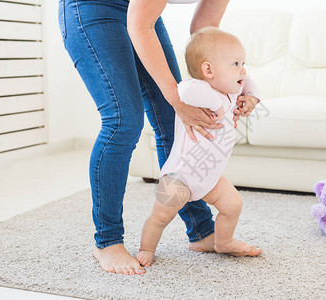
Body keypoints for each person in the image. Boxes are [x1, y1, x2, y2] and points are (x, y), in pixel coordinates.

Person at [58, 0, 259, 276]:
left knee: (174, 121)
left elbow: (205, 34)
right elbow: (139, 24)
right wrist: (179, 98)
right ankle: (108, 241)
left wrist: (233, 93)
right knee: (123, 121)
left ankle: (201, 232)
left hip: (143, 13)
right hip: (94, 7)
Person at [136, 27, 262, 268]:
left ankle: (223, 242)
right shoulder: (199, 91)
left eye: (243, 62)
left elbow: (248, 82)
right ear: (208, 70)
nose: (243, 70)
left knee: (233, 204)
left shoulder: (231, 92)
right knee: (160, 217)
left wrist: (252, 97)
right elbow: (183, 88)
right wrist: (217, 102)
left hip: (210, 175)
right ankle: (146, 248)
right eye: (235, 63)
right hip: (180, 176)